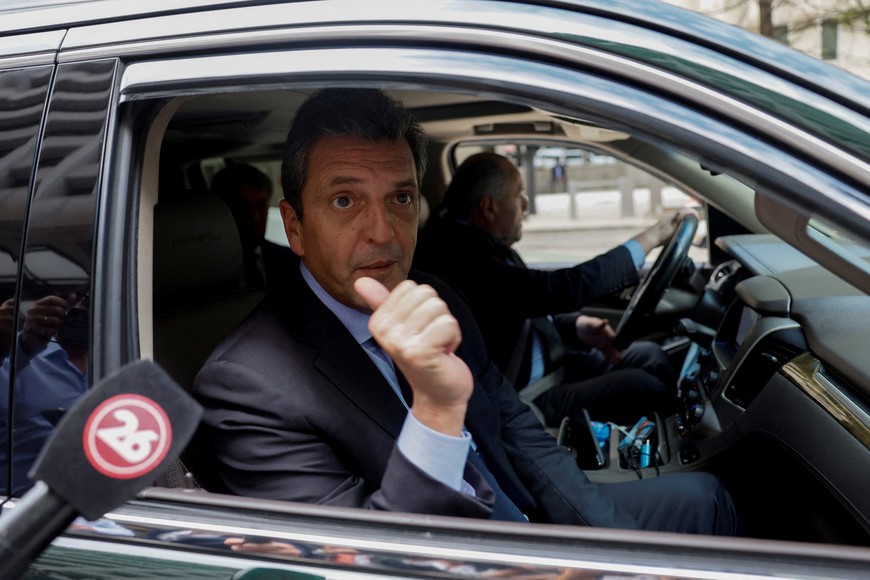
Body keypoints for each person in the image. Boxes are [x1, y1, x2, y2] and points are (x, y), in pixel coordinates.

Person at [191, 88, 739, 534]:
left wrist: (609, 544)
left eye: (401, 198)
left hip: (532, 523)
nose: (382, 232)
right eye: (344, 200)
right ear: (294, 227)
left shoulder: (435, 292)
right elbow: (364, 564)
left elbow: (518, 433)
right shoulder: (246, 386)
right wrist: (436, 409)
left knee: (708, 497)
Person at [414, 152, 686, 426]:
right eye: (518, 194)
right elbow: (556, 290)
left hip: (552, 368)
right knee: (643, 387)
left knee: (650, 355)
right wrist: (651, 238)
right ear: (489, 208)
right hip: (522, 396)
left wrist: (576, 326)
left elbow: (520, 304)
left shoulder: (479, 243)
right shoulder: (460, 255)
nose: (525, 204)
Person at [210, 162, 296, 292]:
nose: (255, 217)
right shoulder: (208, 269)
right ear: (222, 211)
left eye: (260, 206)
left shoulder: (291, 261)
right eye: (242, 208)